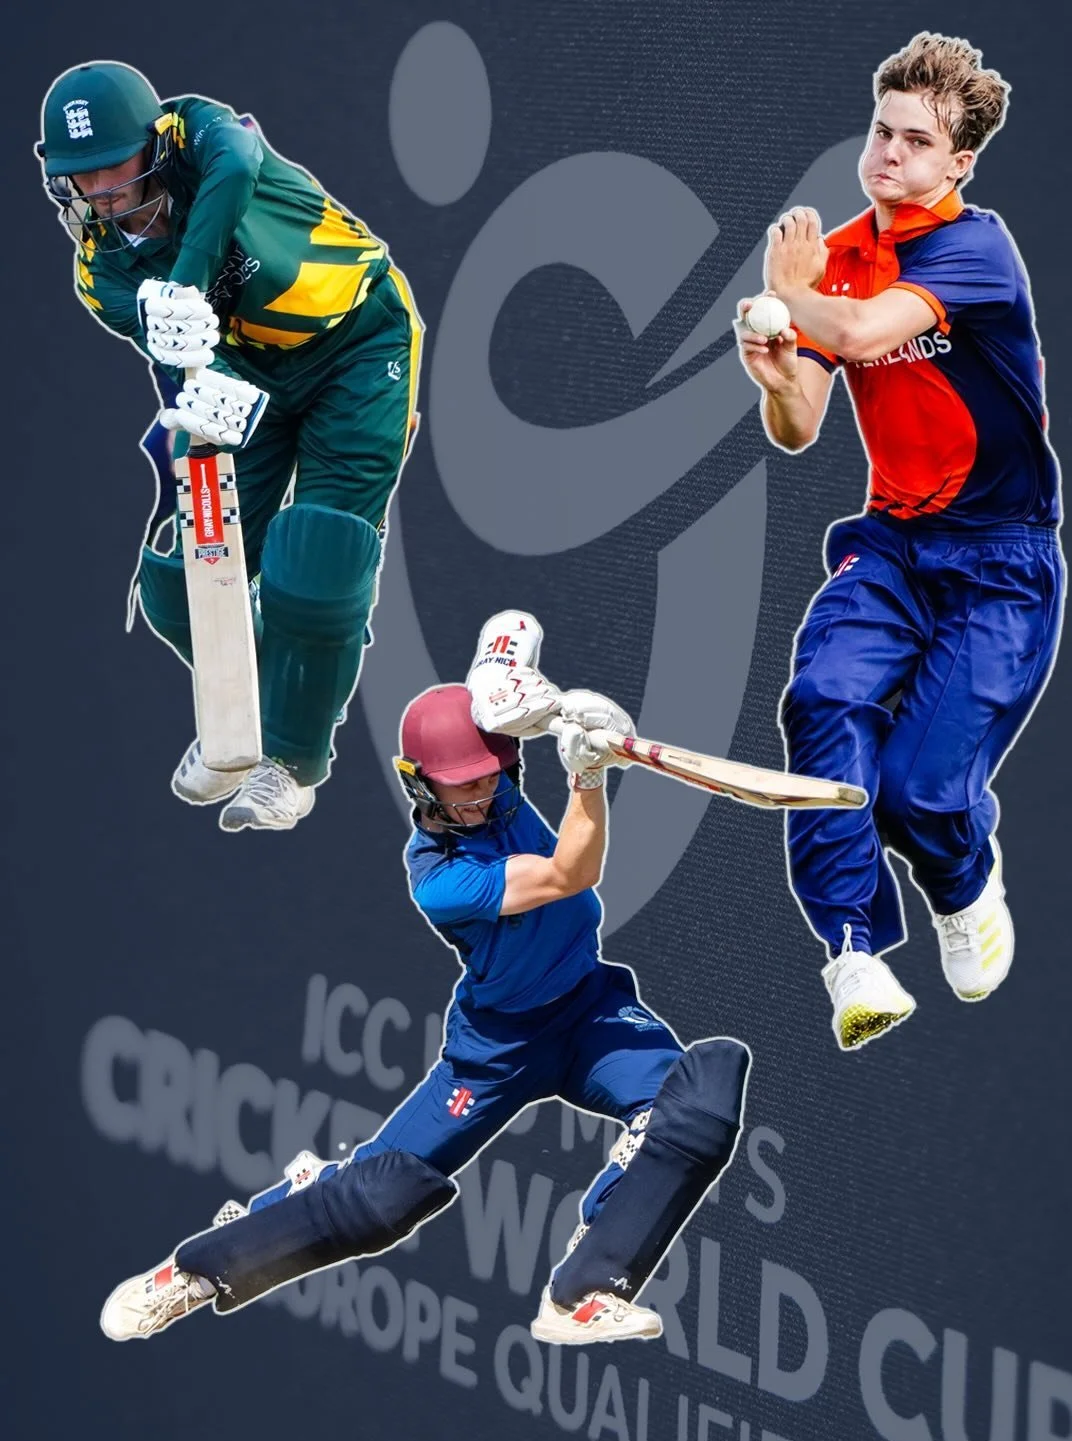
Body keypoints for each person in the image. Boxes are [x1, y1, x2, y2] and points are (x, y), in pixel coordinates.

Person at [100, 613, 751, 1345]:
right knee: (382, 1197)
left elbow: (509, 638)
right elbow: (570, 873)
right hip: (497, 1047)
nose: (482, 799)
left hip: (591, 1011)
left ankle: (584, 1293)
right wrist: (588, 774)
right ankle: (195, 1269)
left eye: (492, 778)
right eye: (461, 788)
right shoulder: (439, 877)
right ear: (419, 786)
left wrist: (565, 715)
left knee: (699, 1100)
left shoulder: (498, 786)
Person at [735, 33, 1063, 1049]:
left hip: (1002, 562)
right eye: (883, 131)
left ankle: (964, 886)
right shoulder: (836, 257)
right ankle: (853, 952)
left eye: (917, 142)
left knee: (920, 793)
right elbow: (799, 428)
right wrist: (774, 375)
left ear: (958, 163)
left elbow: (865, 333)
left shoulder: (977, 250)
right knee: (823, 701)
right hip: (891, 546)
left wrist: (790, 294)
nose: (888, 153)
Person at [38, 60, 422, 830]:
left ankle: (291, 763)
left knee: (316, 559)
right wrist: (200, 379)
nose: (102, 190)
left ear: (154, 143)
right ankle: (245, 718)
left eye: (115, 165)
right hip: (249, 376)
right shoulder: (98, 271)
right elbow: (174, 347)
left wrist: (183, 283)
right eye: (84, 175)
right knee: (180, 581)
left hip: (359, 341)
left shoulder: (199, 131)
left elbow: (239, 164)